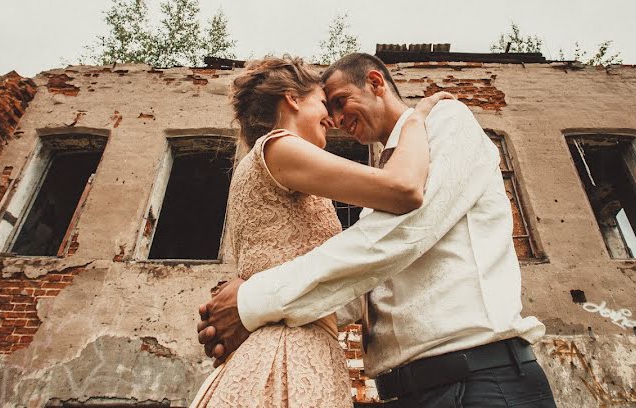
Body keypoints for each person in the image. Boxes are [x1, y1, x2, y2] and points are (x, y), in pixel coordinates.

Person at [199, 52, 558, 407]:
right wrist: (247, 313)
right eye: (329, 106)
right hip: (404, 391)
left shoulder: (444, 121)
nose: (336, 119)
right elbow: (354, 288)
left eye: (339, 101)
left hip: (478, 380)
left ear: (375, 83)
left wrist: (252, 301)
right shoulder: (373, 200)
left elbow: (405, 232)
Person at [189, 56, 452, 408]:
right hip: (289, 355)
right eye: (323, 104)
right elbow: (403, 189)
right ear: (292, 99)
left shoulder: (272, 167)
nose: (333, 118)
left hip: (304, 348)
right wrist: (416, 120)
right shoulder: (279, 146)